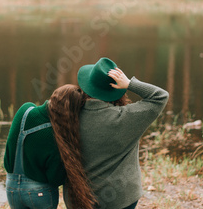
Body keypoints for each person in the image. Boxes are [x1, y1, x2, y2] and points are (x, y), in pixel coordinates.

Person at [64, 57, 169, 209]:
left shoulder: (69, 116)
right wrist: (130, 84)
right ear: (115, 89)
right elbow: (160, 96)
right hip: (120, 199)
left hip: (79, 199)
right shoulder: (126, 118)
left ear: (87, 86)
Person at [3, 84, 96, 209]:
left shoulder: (25, 110)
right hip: (39, 193)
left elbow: (10, 146)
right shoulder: (57, 136)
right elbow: (55, 179)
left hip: (12, 188)